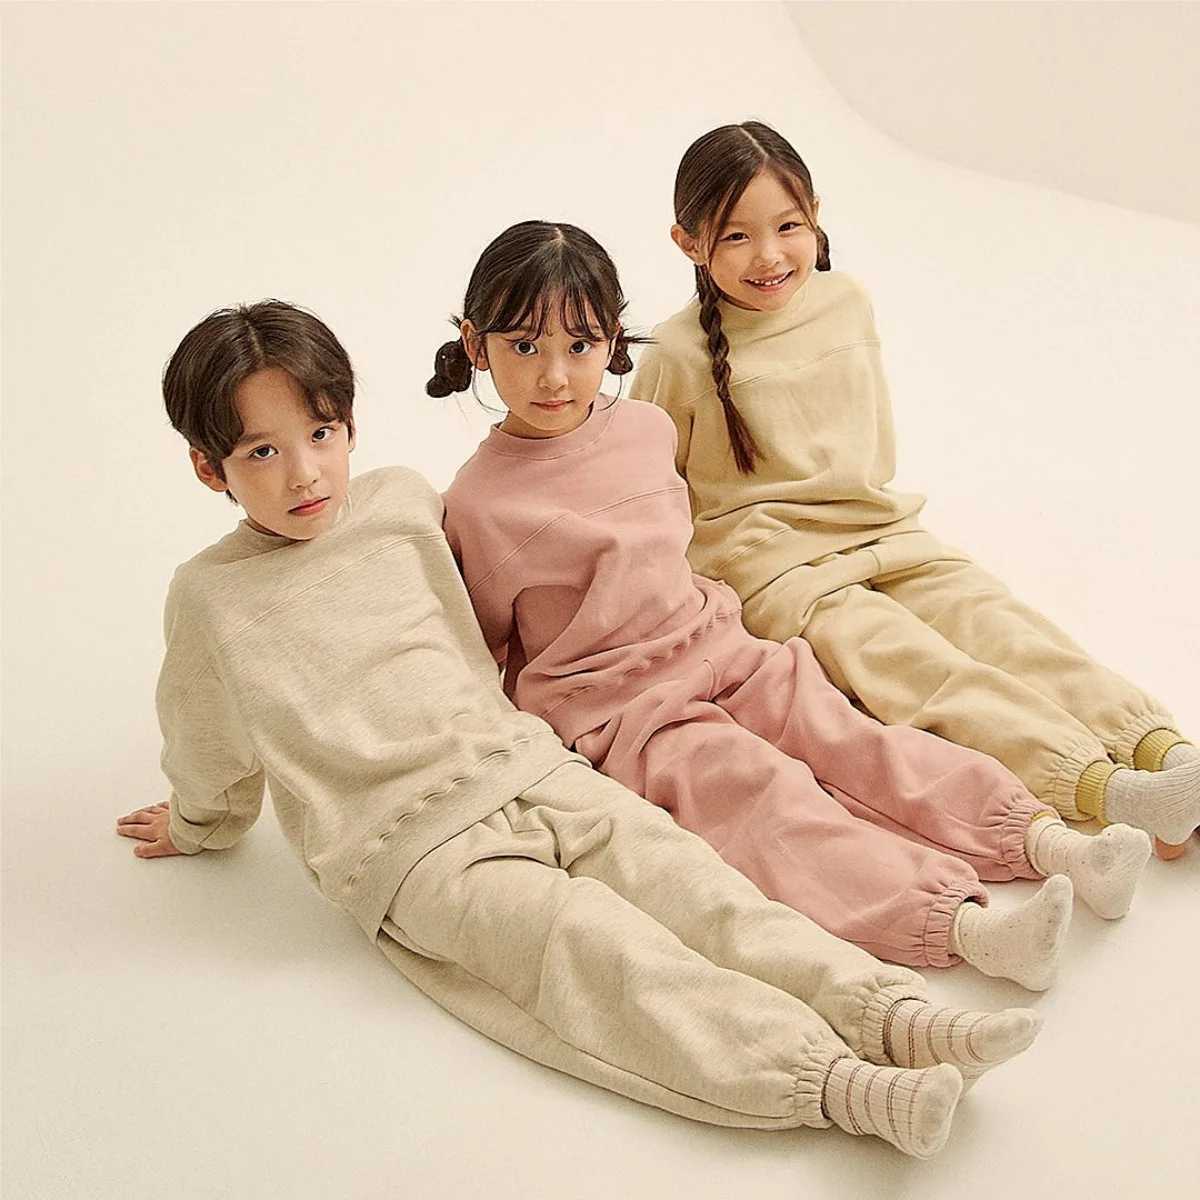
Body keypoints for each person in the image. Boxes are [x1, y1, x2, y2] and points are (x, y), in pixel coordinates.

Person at [115, 299, 1049, 1160]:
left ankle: (899, 1018)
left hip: (530, 765)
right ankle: (842, 1086)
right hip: (411, 846)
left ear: (350, 426)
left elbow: (502, 598)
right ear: (209, 468)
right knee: (597, 955)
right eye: (262, 453)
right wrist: (200, 823)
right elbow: (205, 736)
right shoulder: (210, 597)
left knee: (700, 888)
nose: (305, 473)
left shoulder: (401, 502)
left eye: (320, 435)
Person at [432, 222, 1149, 997]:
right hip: (626, 717)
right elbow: (483, 655)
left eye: (580, 345)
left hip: (726, 649)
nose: (554, 375)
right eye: (524, 346)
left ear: (613, 340)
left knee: (858, 739)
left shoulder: (645, 430)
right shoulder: (477, 503)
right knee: (770, 803)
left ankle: (1054, 847)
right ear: (477, 345)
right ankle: (965, 929)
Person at [630, 120, 1199, 860]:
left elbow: (863, 450)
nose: (768, 255)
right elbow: (643, 493)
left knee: (1003, 627)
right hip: (777, 575)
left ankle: (1167, 756)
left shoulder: (846, 302)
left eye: (788, 226)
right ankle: (1114, 793)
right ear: (688, 243)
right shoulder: (675, 354)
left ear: (816, 216)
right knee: (924, 671)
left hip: (883, 531)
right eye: (736, 237)